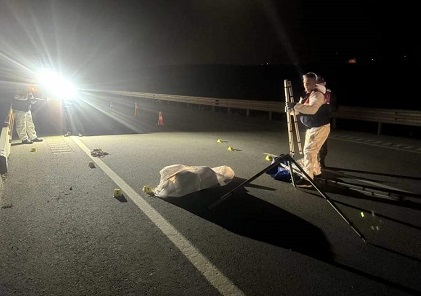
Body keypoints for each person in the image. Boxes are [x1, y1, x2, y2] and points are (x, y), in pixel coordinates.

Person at [286, 72, 330, 187]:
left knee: (309, 151)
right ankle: (316, 172)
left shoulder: (317, 94)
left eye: (308, 83)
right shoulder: (307, 94)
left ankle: (307, 179)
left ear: (315, 83)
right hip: (313, 127)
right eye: (304, 83)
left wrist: (295, 106)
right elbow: (301, 109)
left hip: (320, 127)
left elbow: (312, 110)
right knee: (312, 151)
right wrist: (291, 110)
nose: (306, 85)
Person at [316, 76, 337, 168]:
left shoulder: (329, 93)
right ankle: (314, 162)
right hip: (312, 122)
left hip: (323, 122)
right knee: (312, 143)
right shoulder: (312, 92)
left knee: (323, 143)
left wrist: (328, 112)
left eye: (320, 83)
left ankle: (321, 161)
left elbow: (334, 106)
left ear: (324, 83)